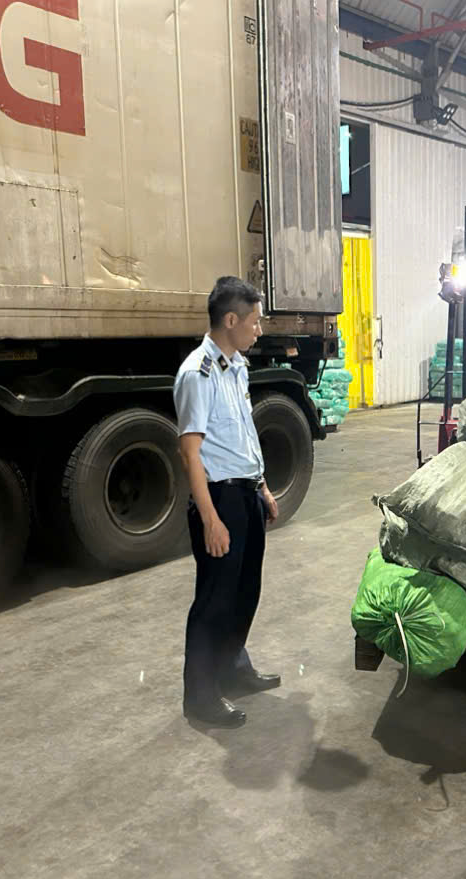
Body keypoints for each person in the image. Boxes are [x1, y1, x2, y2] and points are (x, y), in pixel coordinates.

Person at [173, 276, 282, 728]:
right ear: (231, 320)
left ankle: (233, 671)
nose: (259, 329)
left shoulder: (236, 366)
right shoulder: (197, 373)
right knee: (215, 601)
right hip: (220, 498)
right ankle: (199, 696)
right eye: (255, 321)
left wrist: (262, 486)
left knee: (244, 592)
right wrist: (211, 520)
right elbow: (190, 452)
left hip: (246, 492)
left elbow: (242, 433)